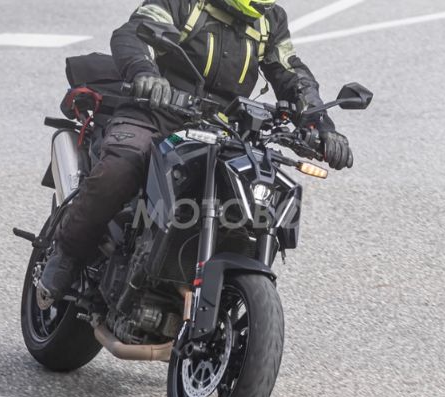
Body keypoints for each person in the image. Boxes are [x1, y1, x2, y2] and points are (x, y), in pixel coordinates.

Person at [38, 0, 354, 300]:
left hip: (224, 130)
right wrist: (145, 73)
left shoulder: (269, 20)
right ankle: (67, 254)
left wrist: (321, 127)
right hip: (156, 114)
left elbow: (292, 74)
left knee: (261, 191)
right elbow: (134, 33)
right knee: (122, 166)